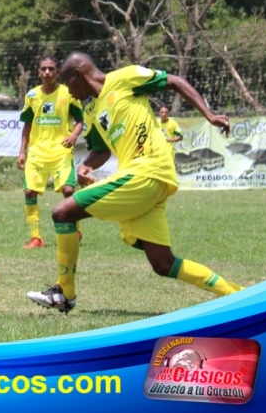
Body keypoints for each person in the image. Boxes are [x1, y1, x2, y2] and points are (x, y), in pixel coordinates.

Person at [27, 52, 244, 313]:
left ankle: (65, 292)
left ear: (79, 74)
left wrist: (209, 115)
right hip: (144, 181)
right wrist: (85, 165)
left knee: (62, 212)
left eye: (67, 83)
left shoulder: (126, 78)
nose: (69, 93)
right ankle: (239, 296)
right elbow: (101, 150)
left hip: (148, 170)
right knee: (163, 263)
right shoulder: (92, 108)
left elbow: (174, 81)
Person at [16, 55, 84, 248]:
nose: (47, 72)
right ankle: (36, 238)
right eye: (43, 69)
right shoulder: (32, 96)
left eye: (51, 69)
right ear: (38, 72)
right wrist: (22, 152)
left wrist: (73, 137)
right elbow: (27, 125)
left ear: (58, 72)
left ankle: (75, 230)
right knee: (29, 191)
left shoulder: (68, 93)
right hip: (37, 152)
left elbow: (80, 120)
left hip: (61, 151)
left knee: (69, 190)